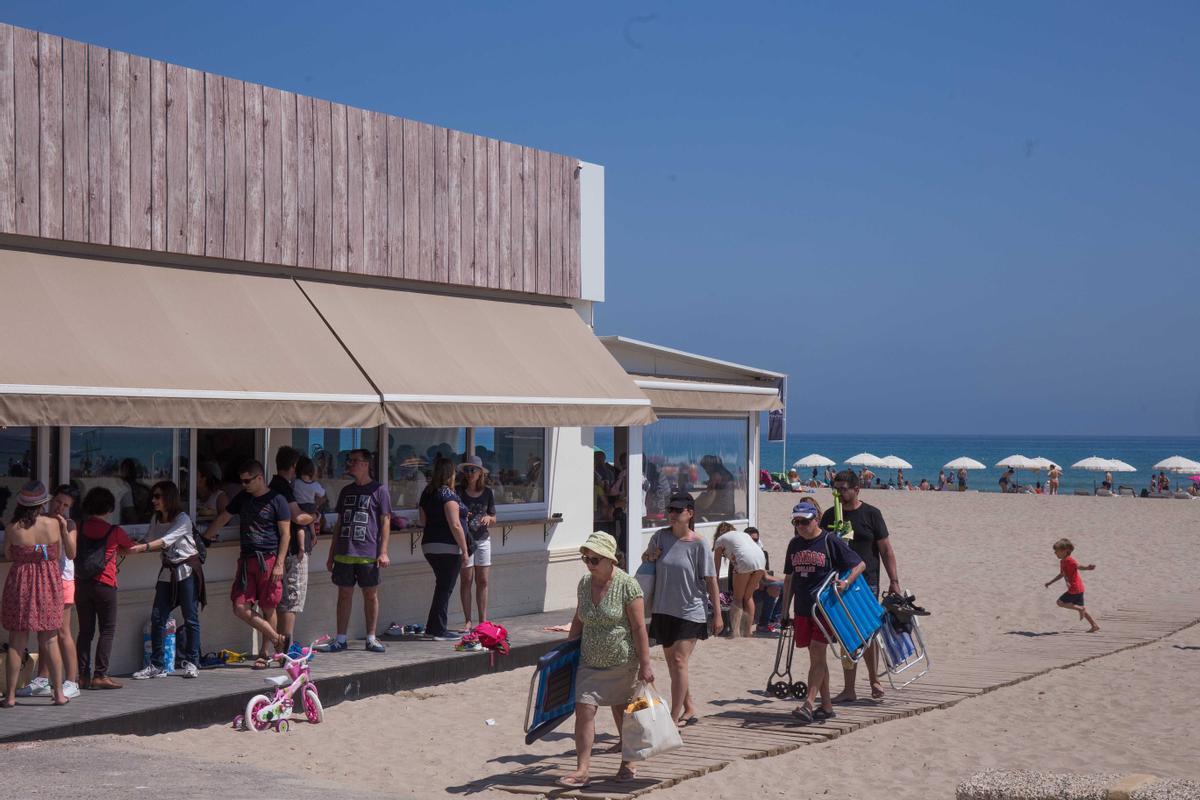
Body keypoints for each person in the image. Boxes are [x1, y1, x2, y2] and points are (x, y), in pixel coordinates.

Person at [559, 532, 654, 788]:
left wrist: (645, 663)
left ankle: (628, 763)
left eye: (594, 559)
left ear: (610, 560)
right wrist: (568, 649)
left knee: (623, 713)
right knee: (584, 711)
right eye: (586, 559)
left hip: (622, 662)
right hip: (589, 661)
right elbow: (579, 617)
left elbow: (638, 628)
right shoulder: (584, 583)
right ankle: (582, 769)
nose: (589, 564)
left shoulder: (627, 585)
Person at [641, 491, 723, 727]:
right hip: (663, 608)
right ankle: (689, 707)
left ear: (690, 513)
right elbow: (647, 560)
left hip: (691, 609)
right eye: (671, 510)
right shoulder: (659, 537)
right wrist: (649, 555)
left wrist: (717, 614)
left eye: (678, 510)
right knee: (673, 663)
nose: (673, 514)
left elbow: (711, 580)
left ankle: (673, 718)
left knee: (678, 660)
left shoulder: (699, 543)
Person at [781, 500, 865, 723]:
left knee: (818, 653)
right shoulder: (794, 544)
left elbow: (859, 564)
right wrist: (783, 610)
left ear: (815, 519)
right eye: (796, 522)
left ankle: (809, 704)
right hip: (802, 609)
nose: (800, 526)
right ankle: (826, 706)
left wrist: (846, 582)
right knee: (816, 659)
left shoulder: (830, 541)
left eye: (804, 522)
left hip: (825, 609)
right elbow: (789, 579)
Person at [820, 470, 901, 702]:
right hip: (840, 582)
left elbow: (886, 549)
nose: (839, 493)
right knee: (847, 634)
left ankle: (875, 679)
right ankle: (849, 688)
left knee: (868, 631)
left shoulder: (871, 514)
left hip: (867, 582)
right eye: (836, 489)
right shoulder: (829, 516)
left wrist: (894, 581)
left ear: (857, 489)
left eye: (844, 489)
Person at [204, 460, 291, 669]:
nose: (243, 485)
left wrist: (279, 564)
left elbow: (285, 534)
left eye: (247, 481)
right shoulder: (243, 497)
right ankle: (279, 639)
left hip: (268, 559)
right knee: (240, 606)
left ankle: (265, 653)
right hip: (246, 560)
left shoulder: (278, 500)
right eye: (241, 481)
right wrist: (204, 538)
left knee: (269, 607)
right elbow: (224, 516)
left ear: (259, 478)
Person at [2, 482, 72, 706]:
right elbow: (60, 553)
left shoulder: (12, 527)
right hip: (48, 583)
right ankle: (59, 694)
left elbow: (9, 555)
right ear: (43, 503)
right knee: (50, 638)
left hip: (20, 583)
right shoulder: (53, 524)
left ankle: (10, 696)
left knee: (16, 641)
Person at [130, 481, 204, 679]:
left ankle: (192, 662)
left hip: (187, 570)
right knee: (157, 617)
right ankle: (156, 664)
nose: (154, 500)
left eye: (158, 496)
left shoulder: (182, 519)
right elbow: (148, 539)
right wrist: (127, 546)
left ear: (169, 498)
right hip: (168, 571)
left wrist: (142, 548)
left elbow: (164, 541)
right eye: (153, 496)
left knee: (190, 617)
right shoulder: (156, 518)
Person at [321, 449, 391, 653]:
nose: (350, 464)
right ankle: (340, 638)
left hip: (368, 551)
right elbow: (339, 523)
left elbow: (385, 520)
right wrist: (331, 553)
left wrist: (383, 551)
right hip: (345, 550)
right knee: (344, 593)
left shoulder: (379, 490)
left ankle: (371, 637)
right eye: (349, 460)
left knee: (370, 594)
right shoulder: (346, 491)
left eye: (354, 461)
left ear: (366, 464)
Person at [16, 485, 81, 700]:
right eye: (57, 502)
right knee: (44, 632)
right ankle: (43, 679)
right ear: (49, 500)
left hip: (62, 580)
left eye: (65, 505)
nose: (60, 507)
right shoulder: (40, 520)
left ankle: (72, 681)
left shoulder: (69, 524)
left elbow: (71, 554)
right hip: (43, 581)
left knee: (61, 632)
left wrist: (63, 529)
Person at [75, 487, 138, 689]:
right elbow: (129, 547)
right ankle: (100, 675)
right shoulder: (115, 531)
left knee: (85, 632)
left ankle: (82, 676)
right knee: (107, 630)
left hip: (82, 584)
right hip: (105, 584)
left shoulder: (79, 526)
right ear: (110, 508)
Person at [268, 446, 319, 654]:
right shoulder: (285, 487)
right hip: (292, 552)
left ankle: (282, 646)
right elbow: (297, 517)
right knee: (291, 600)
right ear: (294, 466)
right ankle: (286, 649)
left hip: (283, 550)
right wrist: (315, 516)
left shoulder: (277, 485)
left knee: (284, 600)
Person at [418, 457, 471, 641]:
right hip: (448, 546)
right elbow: (455, 524)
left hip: (429, 545)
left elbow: (422, 521)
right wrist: (464, 550)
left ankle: (433, 627)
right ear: (451, 474)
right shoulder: (448, 494)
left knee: (442, 586)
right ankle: (438, 630)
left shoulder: (427, 493)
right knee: (445, 588)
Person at [457, 456, 496, 630]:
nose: (470, 473)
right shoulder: (458, 491)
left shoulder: (487, 492)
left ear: (480, 472)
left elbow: (493, 516)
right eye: (467, 470)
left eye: (473, 470)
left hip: (483, 539)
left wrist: (489, 518)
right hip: (465, 540)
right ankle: (468, 620)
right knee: (466, 579)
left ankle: (482, 621)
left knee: (483, 580)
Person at [712, 523, 766, 638]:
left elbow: (715, 570)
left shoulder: (720, 540)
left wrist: (713, 585)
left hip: (744, 560)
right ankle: (748, 632)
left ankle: (735, 632)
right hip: (761, 560)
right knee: (748, 597)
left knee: (737, 598)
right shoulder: (742, 535)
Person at [1045, 538, 1099, 632]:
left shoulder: (1070, 561)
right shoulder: (1062, 561)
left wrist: (1087, 568)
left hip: (1074, 587)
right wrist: (1051, 582)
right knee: (1081, 608)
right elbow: (1062, 574)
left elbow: (1078, 566)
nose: (1055, 553)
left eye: (1057, 551)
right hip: (1079, 588)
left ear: (1065, 551)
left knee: (1060, 602)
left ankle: (1079, 609)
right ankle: (1094, 625)